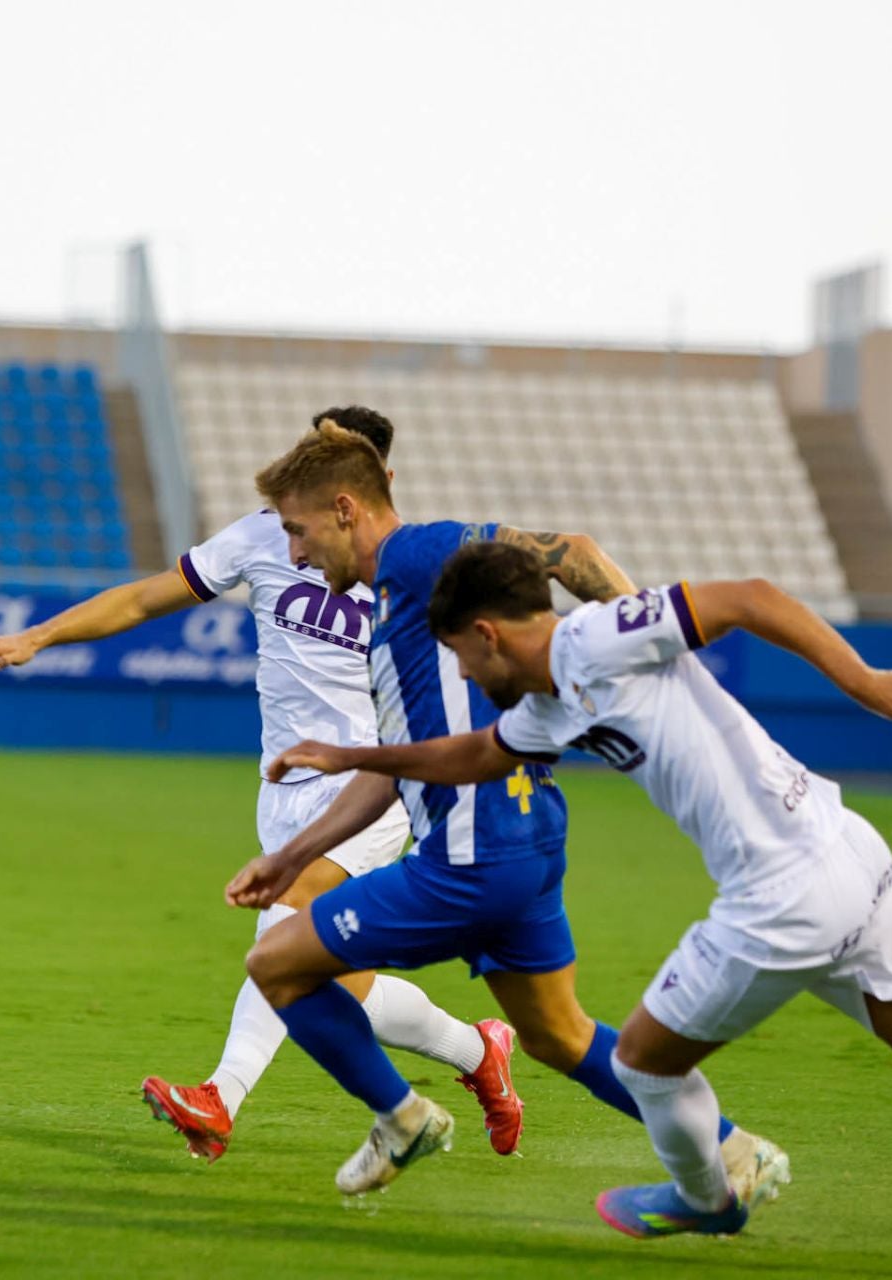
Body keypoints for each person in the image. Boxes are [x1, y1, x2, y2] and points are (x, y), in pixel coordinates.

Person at [272, 542, 892, 1236]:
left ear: (486, 633)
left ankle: (707, 1198)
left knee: (654, 1064)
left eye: (458, 653)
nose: (462, 668)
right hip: (844, 846)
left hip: (784, 890)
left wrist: (863, 679)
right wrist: (355, 748)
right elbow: (473, 752)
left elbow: (750, 595)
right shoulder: (548, 704)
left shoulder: (592, 639)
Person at [225, 424, 789, 1202]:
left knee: (277, 964)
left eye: (298, 530)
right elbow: (400, 766)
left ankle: (403, 1117)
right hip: (526, 843)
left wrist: (668, 674)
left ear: (347, 510)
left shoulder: (420, 555)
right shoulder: (392, 611)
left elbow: (576, 554)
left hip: (469, 854)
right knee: (561, 1038)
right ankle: (733, 1151)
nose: (293, 554)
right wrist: (293, 857)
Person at [0, 408, 523, 1163]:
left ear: (366, 482)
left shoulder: (415, 564)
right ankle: (477, 1051)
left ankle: (221, 1097)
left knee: (287, 929)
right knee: (341, 986)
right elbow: (143, 598)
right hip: (285, 787)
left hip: (368, 787)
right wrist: (36, 636)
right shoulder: (266, 535)